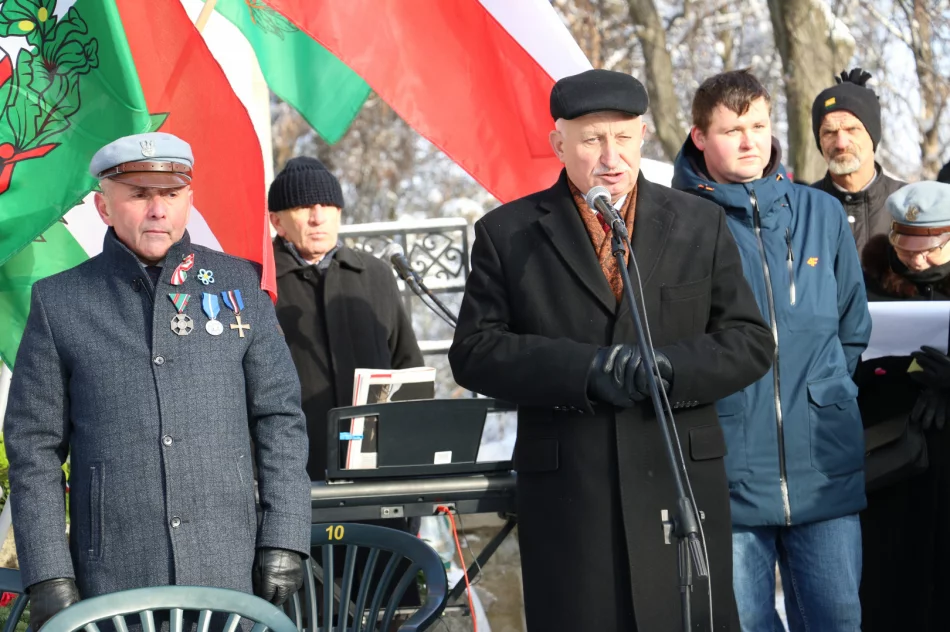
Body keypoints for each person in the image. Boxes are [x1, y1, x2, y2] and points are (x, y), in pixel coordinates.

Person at [449, 68, 775, 632]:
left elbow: (748, 341)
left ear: (643, 134)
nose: (611, 155)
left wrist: (673, 367)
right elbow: (475, 351)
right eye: (592, 139)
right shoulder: (509, 234)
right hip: (573, 486)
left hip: (677, 482)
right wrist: (585, 369)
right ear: (559, 144)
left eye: (623, 137)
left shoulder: (700, 222)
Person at [5, 132, 311, 629]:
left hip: (230, 566)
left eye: (170, 194)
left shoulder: (240, 287)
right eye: (140, 195)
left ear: (188, 199)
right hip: (115, 572)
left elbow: (280, 420)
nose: (157, 210)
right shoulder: (59, 303)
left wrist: (285, 535)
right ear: (104, 207)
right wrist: (48, 573)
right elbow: (32, 447)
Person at [671, 69, 872, 632]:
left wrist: (824, 394)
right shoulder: (676, 224)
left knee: (837, 620)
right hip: (729, 469)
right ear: (699, 137)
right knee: (745, 624)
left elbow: (852, 326)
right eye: (732, 129)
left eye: (758, 125)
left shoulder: (820, 213)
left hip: (823, 466)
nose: (749, 140)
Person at [266, 156, 424, 482]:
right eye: (303, 206)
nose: (317, 217)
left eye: (327, 204)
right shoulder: (258, 284)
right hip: (294, 477)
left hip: (381, 473)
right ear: (277, 222)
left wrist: (413, 457)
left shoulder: (375, 275)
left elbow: (407, 367)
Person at [857, 181, 950, 631]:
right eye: (906, 246)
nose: (916, 259)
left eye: (930, 248)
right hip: (890, 458)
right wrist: (907, 369)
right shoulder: (868, 282)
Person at [811, 68, 904, 253]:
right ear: (819, 141)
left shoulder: (907, 203)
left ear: (873, 136)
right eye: (829, 132)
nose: (841, 143)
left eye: (852, 129)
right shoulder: (803, 207)